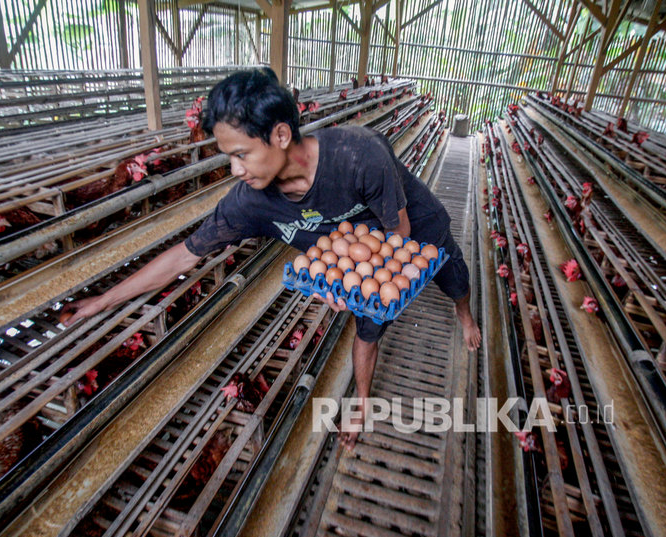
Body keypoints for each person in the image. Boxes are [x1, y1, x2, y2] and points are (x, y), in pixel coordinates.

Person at [62, 68, 480, 450]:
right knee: (368, 328)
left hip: (416, 228)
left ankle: (465, 314)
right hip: (364, 262)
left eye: (241, 154)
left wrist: (353, 274)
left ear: (280, 135)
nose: (233, 169)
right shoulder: (249, 204)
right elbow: (183, 256)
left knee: (453, 280)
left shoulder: (359, 155)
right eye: (228, 156)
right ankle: (364, 400)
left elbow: (399, 233)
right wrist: (102, 301)